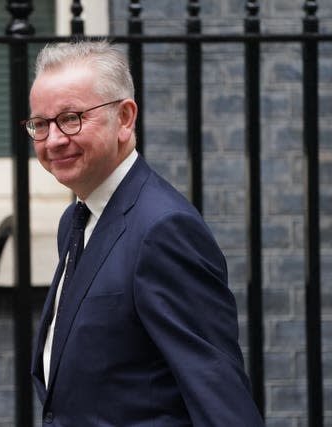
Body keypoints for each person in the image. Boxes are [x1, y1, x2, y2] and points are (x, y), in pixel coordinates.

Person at [26, 40, 264, 426]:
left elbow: (219, 397)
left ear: (124, 118)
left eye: (71, 118)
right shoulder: (75, 220)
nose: (53, 140)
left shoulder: (164, 229)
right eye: (40, 124)